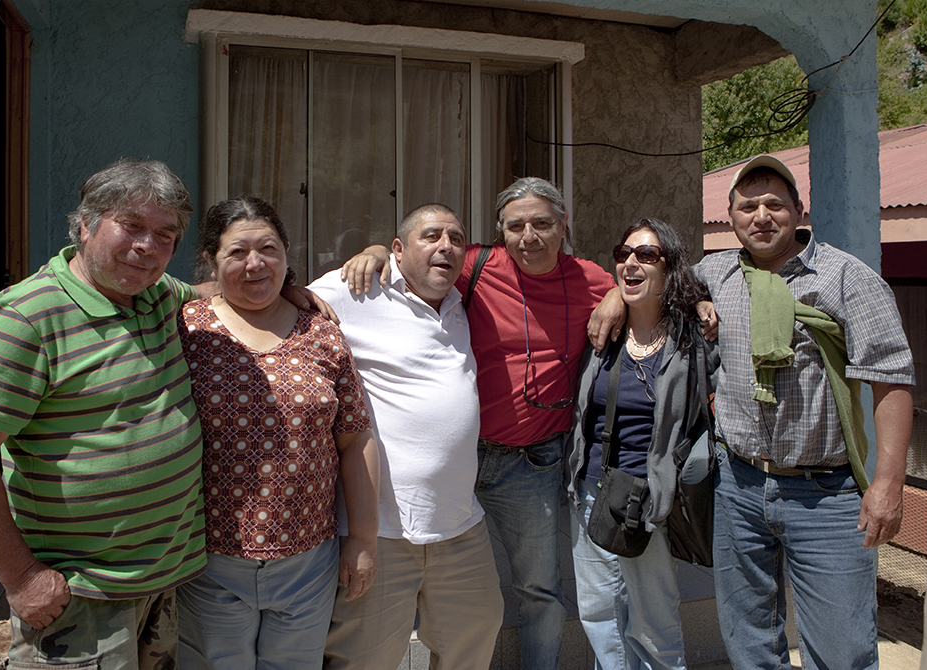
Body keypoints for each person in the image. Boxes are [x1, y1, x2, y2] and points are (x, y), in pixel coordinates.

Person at [0, 159, 208, 669]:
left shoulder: (159, 297)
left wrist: (290, 290)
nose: (148, 246)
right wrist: (22, 578)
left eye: (166, 234)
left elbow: (221, 297)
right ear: (84, 226)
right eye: (132, 225)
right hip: (79, 597)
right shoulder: (25, 317)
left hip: (164, 585)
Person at [342, 179, 615, 668]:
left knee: (537, 587)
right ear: (500, 233)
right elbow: (418, 260)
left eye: (542, 224)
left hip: (531, 462)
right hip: (462, 463)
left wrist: (618, 299)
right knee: (455, 592)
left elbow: (652, 295)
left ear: (563, 224)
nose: (528, 236)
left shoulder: (591, 278)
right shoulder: (478, 264)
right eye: (516, 226)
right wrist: (376, 249)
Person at [694, 155, 915, 669]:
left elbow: (892, 379)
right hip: (738, 487)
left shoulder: (846, 279)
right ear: (731, 217)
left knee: (842, 652)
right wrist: (616, 298)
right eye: (748, 206)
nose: (762, 216)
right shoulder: (717, 271)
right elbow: (660, 286)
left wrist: (888, 483)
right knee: (748, 640)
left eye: (775, 204)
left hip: (827, 495)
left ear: (798, 209)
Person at [175, 196, 379, 669]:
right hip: (209, 563)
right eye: (237, 253)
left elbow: (354, 438)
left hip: (308, 562)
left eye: (268, 249)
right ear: (211, 259)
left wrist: (363, 539)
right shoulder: (186, 328)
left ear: (287, 252)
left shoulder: (321, 332)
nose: (255, 264)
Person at [311, 203, 504, 670]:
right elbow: (275, 297)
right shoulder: (355, 290)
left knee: (476, 637)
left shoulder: (465, 300)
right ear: (397, 249)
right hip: (379, 531)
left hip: (459, 524)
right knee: (364, 658)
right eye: (431, 236)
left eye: (456, 239)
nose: (446, 246)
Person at [567, 218, 717, 670]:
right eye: (624, 253)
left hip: (648, 497)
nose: (631, 262)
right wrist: (615, 299)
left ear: (669, 268)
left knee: (652, 622)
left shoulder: (692, 339)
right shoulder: (602, 333)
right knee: (599, 614)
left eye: (646, 255)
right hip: (591, 488)